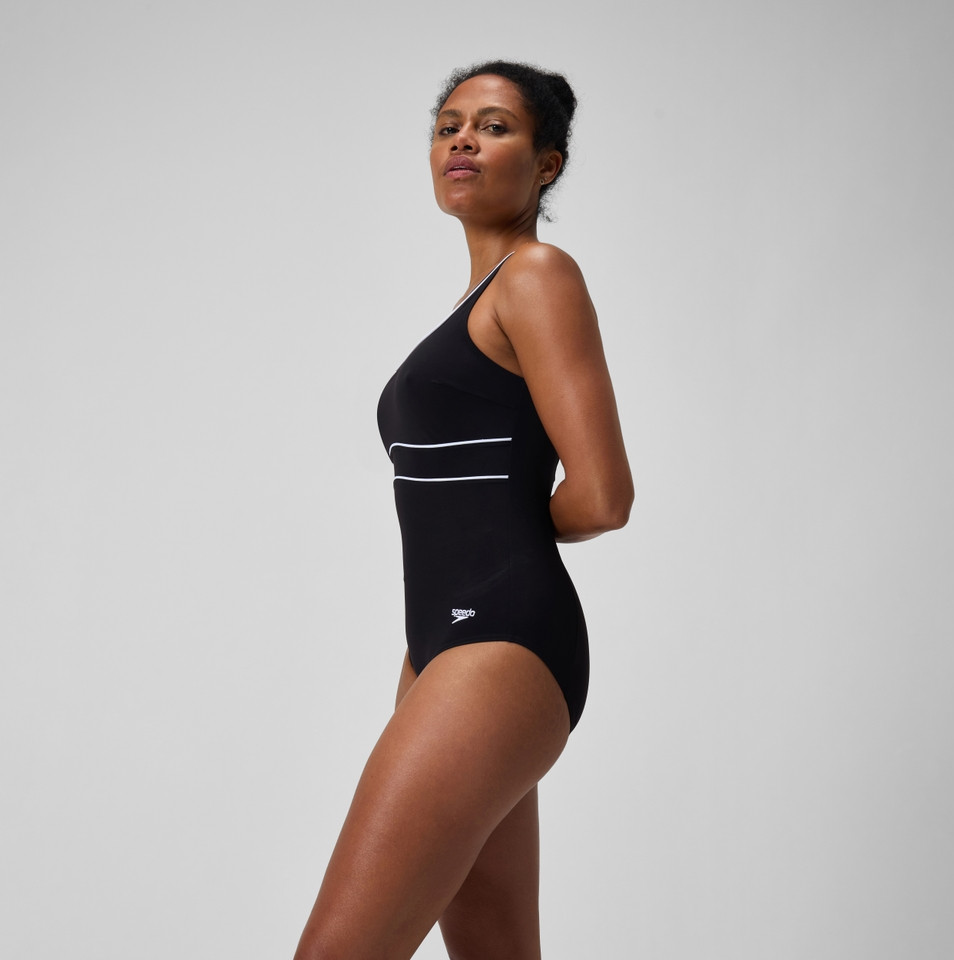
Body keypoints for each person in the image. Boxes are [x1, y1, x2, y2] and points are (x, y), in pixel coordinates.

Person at [294, 60, 633, 960]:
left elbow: (603, 497)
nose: (462, 141)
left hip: (499, 640)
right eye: (448, 126)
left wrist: (508, 539)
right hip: (442, 648)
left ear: (548, 163)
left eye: (493, 126)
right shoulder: (476, 304)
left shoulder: (537, 276)